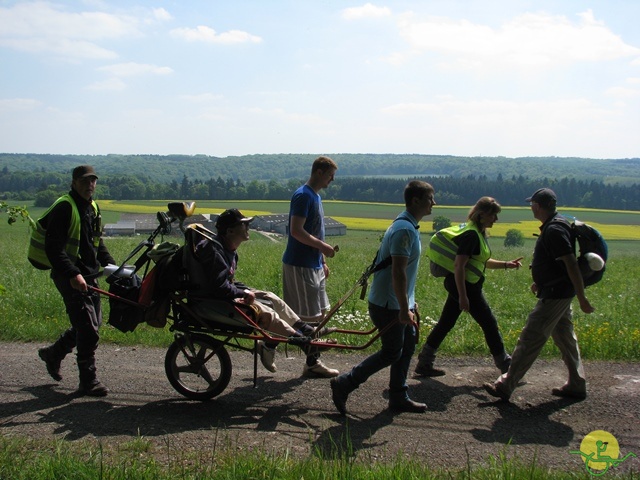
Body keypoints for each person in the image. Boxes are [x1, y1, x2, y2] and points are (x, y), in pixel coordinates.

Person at [329, 180, 436, 415]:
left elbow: (402, 272)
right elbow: (398, 272)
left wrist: (408, 302)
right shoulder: (405, 229)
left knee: (407, 345)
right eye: (430, 198)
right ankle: (345, 383)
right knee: (391, 351)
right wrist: (402, 307)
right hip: (389, 304)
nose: (434, 203)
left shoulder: (407, 225)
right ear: (416, 200)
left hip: (396, 301)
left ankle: (398, 395)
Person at [484, 188, 595, 401]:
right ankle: (577, 384)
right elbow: (558, 265)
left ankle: (506, 384)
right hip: (557, 291)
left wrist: (582, 297)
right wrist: (540, 282)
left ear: (537, 206)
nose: (530, 207)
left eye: (531, 204)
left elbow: (570, 263)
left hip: (555, 295)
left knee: (531, 337)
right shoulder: (557, 225)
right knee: (565, 338)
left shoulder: (554, 230)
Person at [187, 208, 329, 373]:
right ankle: (302, 341)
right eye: (244, 224)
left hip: (221, 297)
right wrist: (243, 293)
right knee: (265, 311)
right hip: (212, 303)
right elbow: (218, 286)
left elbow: (226, 280)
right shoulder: (214, 251)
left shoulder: (227, 249)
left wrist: (246, 290)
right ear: (230, 230)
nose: (248, 227)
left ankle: (305, 329)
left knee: (270, 297)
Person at [414, 197, 523, 377]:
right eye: (493, 215)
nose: (496, 219)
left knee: (446, 323)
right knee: (489, 323)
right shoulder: (472, 235)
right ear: (482, 215)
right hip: (466, 287)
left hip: (463, 285)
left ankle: (424, 363)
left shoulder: (475, 232)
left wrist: (506, 264)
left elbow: (481, 262)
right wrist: (463, 296)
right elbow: (459, 266)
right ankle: (506, 367)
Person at [37, 165, 115, 397]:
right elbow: (53, 248)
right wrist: (72, 274)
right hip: (69, 277)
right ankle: (88, 381)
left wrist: (111, 265)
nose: (90, 184)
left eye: (93, 181)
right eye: (84, 181)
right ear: (74, 182)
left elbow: (96, 242)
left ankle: (53, 353)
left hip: (89, 274)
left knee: (92, 324)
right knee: (88, 330)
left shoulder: (92, 206)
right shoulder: (65, 207)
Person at [282, 155, 339, 378]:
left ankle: (311, 361)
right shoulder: (303, 196)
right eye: (330, 175)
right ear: (319, 172)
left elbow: (314, 230)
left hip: (313, 263)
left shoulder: (315, 197)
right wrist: (324, 247)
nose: (332, 180)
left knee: (318, 314)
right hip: (299, 263)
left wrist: (322, 260)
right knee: (302, 316)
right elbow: (296, 231)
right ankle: (270, 347)